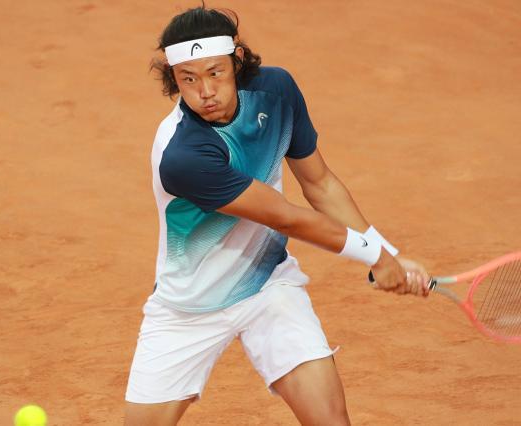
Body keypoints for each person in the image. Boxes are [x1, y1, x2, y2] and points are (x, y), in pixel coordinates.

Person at [124, 5, 429, 425]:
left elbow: (319, 184)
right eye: (188, 79)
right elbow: (284, 217)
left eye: (215, 72)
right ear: (173, 79)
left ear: (236, 61)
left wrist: (387, 253)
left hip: (268, 284)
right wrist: (375, 257)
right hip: (189, 306)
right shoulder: (183, 155)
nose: (205, 91)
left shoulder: (277, 91)